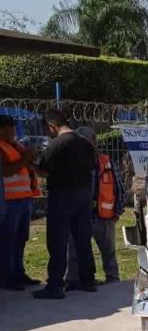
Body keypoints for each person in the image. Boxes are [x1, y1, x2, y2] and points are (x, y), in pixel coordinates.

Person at [33, 110, 96, 300]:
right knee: (83, 239)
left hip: (61, 197)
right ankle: (88, 280)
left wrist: (31, 163)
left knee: (58, 241)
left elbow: (43, 170)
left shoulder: (56, 145)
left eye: (47, 129)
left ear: (52, 126)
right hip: (83, 195)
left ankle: (55, 285)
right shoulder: (85, 144)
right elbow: (92, 167)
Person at [66, 126, 126, 289]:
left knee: (108, 252)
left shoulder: (105, 162)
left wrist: (117, 210)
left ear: (94, 142)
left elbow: (119, 187)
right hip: (79, 216)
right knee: (74, 252)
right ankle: (73, 280)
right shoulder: (71, 163)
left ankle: (113, 281)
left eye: (88, 141)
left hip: (103, 216)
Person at [0, 115, 41, 290]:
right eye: (8, 128)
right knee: (8, 240)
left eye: (13, 128)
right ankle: (7, 277)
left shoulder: (17, 146)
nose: (12, 131)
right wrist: (25, 158)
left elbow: (27, 166)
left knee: (20, 239)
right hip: (9, 202)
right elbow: (6, 171)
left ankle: (19, 272)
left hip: (24, 200)